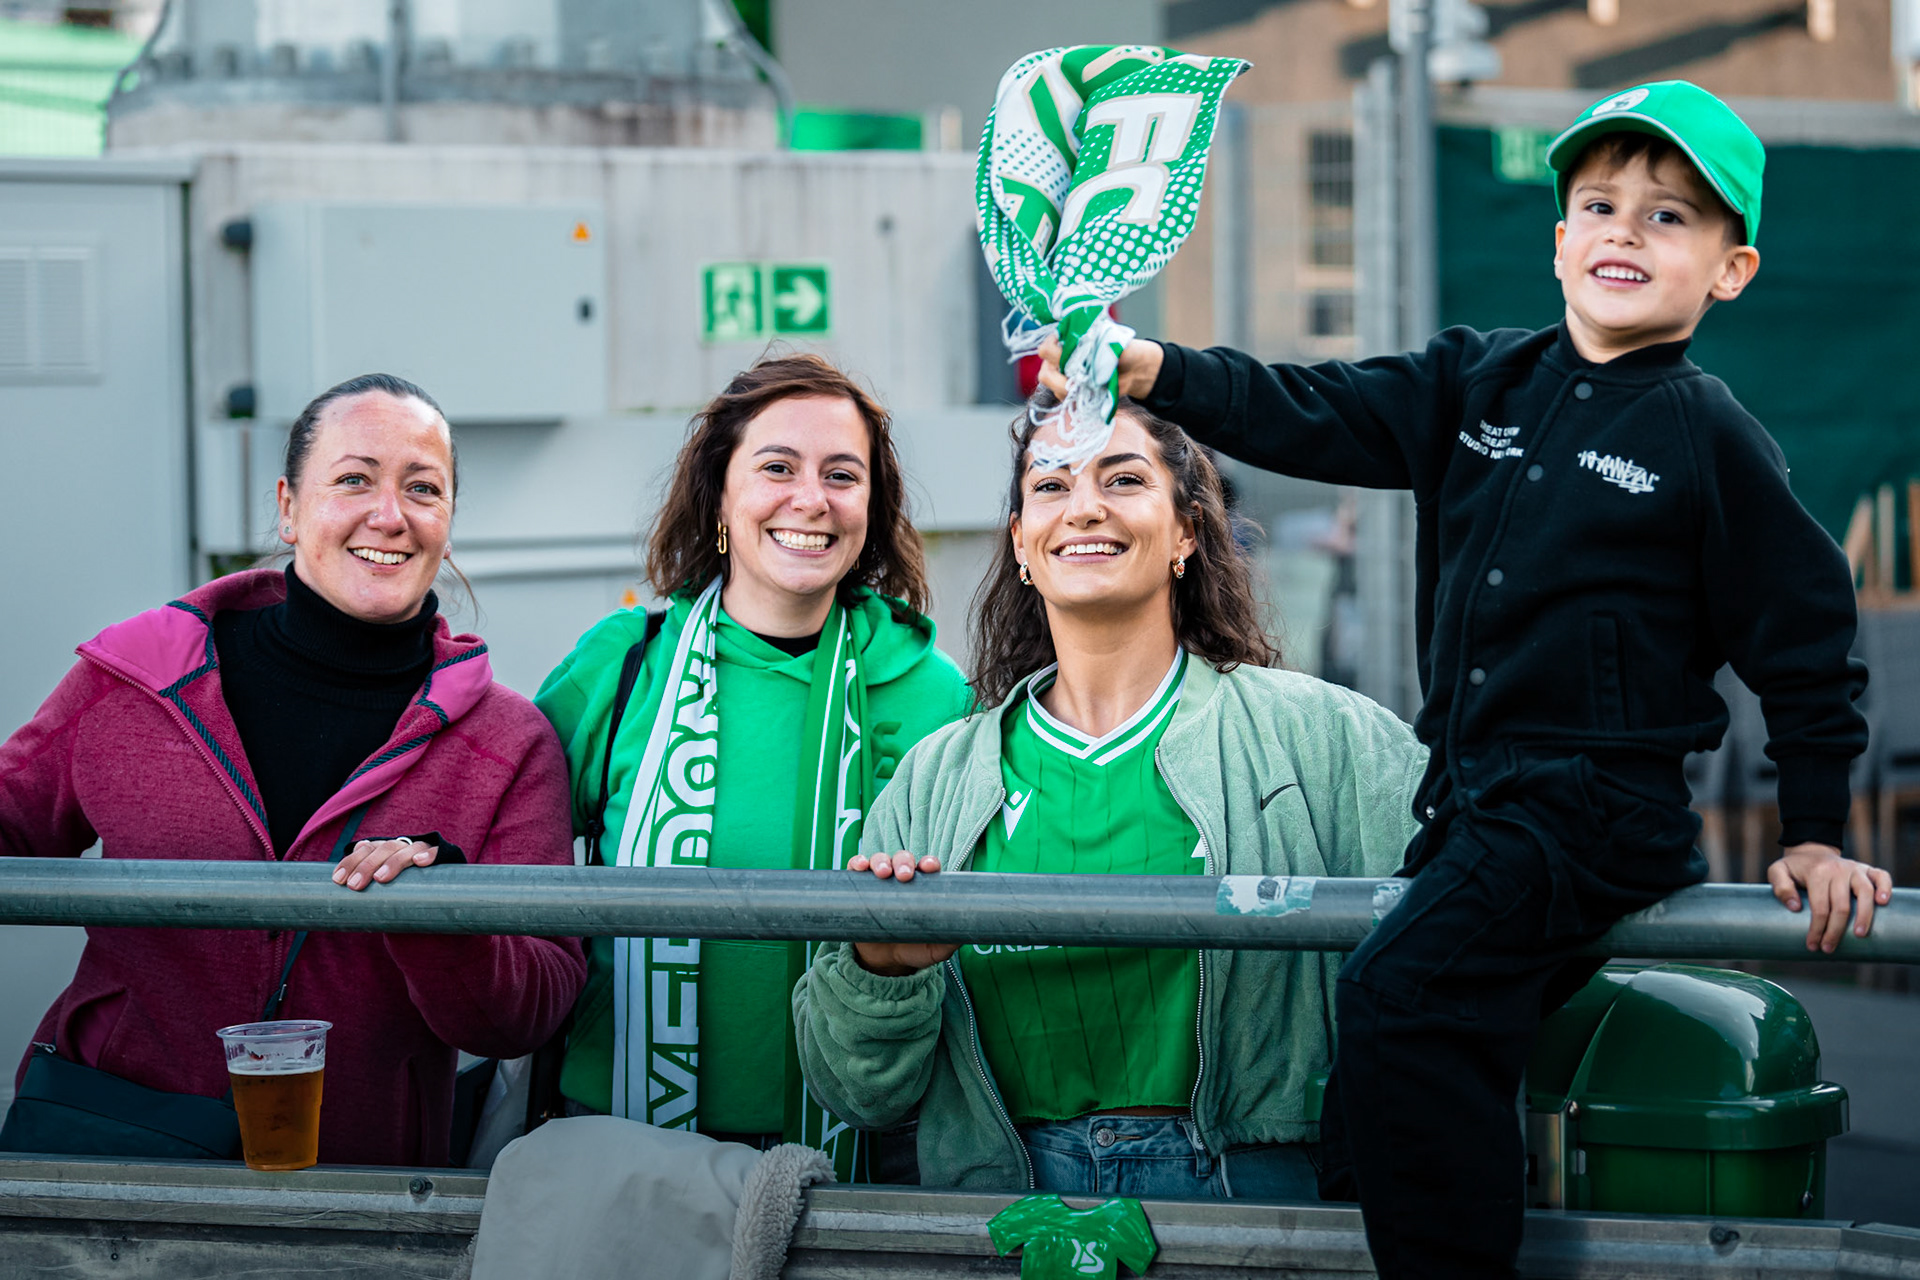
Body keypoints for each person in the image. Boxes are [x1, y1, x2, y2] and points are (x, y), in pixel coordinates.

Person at [1040, 81, 1891, 1276]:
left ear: (1730, 269)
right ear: (1557, 243)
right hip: (1471, 807)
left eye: (1668, 218)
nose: (1624, 234)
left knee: (1403, 1006)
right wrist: (1153, 367)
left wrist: (1814, 829)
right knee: (1373, 1068)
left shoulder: (1712, 433)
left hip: (1590, 810)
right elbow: (1311, 407)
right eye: (1599, 205)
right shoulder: (1476, 383)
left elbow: (1808, 639)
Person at [792, 399, 1428, 1197]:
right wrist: (878, 970)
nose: (1085, 506)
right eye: (1051, 487)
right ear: (1023, 542)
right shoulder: (935, 778)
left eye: (1123, 478)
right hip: (1007, 1211)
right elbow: (855, 1094)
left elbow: (1458, 944)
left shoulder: (1327, 739)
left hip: (1262, 1211)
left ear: (1188, 532)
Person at [0, 372, 586, 1167]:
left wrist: (444, 913)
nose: (390, 515)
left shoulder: (509, 744)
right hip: (116, 1151)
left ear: (447, 525)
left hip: (361, 1190)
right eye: (353, 480)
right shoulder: (138, 679)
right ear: (287, 506)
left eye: (423, 488)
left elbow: (531, 1012)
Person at [534, 354, 971, 1177]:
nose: (811, 499)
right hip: (623, 1147)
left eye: (842, 474)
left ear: (870, 512)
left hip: (866, 1156)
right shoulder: (621, 664)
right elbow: (502, 829)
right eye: (777, 467)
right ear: (721, 499)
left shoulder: (934, 692)